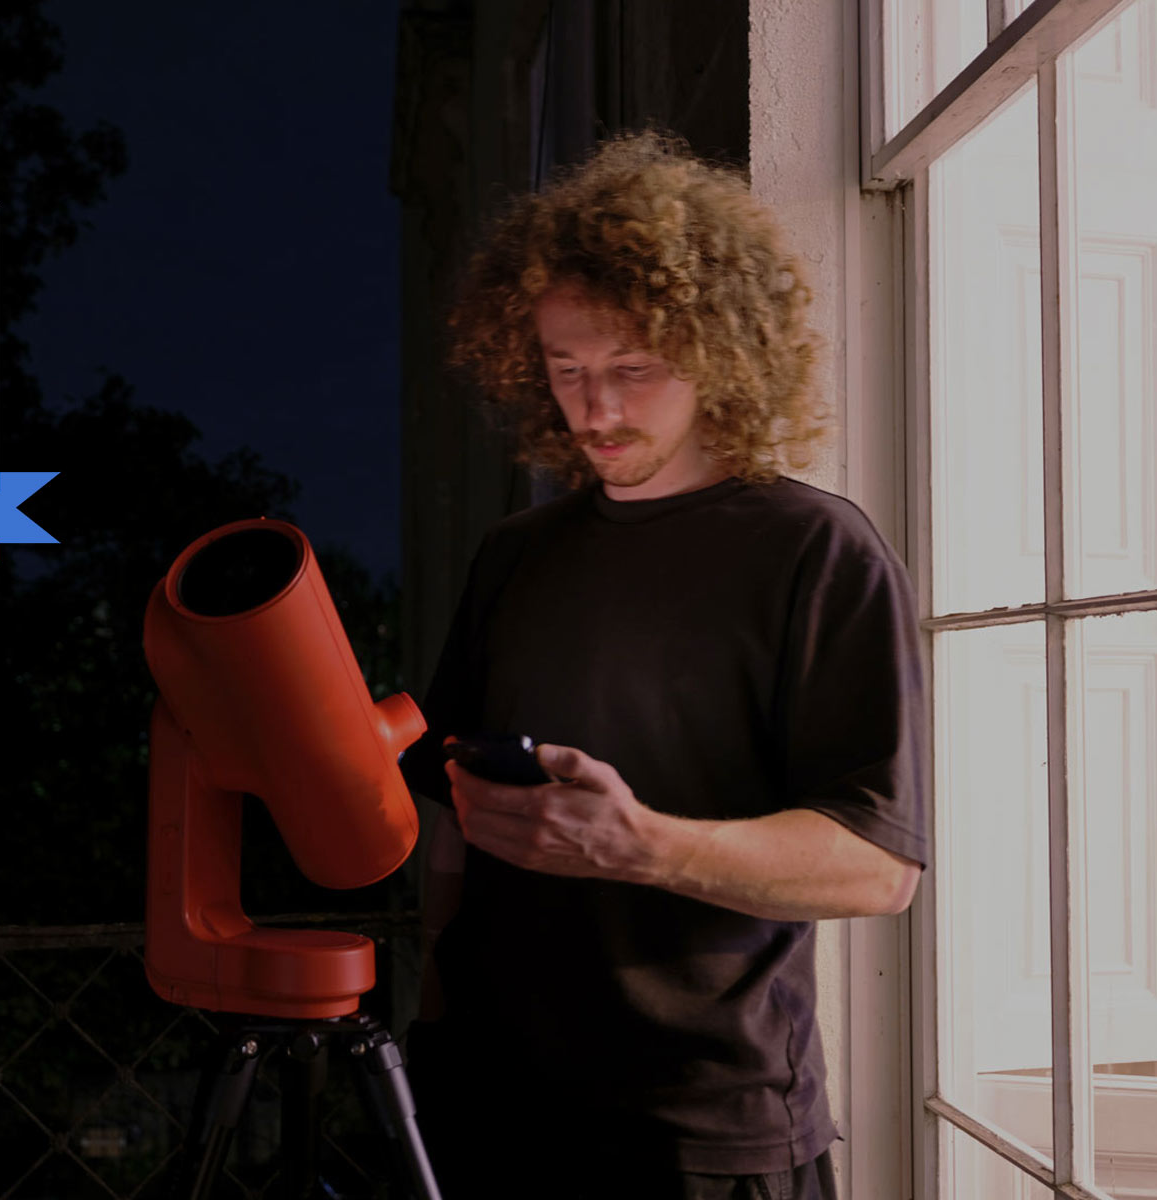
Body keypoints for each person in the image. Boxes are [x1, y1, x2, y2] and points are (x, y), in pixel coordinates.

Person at [396, 132, 930, 1200]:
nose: (595, 410)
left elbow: (878, 869)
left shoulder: (815, 550)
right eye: (567, 371)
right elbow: (450, 794)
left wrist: (642, 845)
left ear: (721, 353)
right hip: (495, 1110)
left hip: (705, 1128)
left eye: (633, 371)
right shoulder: (516, 555)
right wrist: (441, 984)